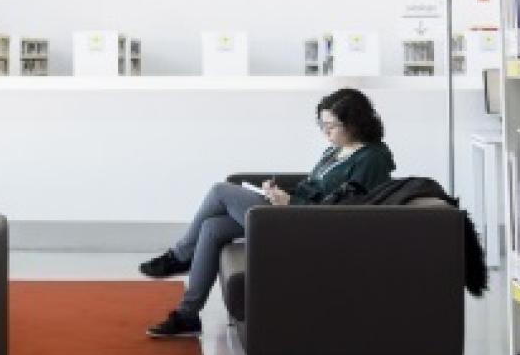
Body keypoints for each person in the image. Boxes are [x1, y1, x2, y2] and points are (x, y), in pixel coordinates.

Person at [139, 86, 394, 339]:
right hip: (294, 213)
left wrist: (291, 204)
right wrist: (280, 192)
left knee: (220, 191)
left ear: (355, 122)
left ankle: (179, 256)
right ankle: (187, 315)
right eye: (322, 124)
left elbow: (345, 210)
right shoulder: (335, 151)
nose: (326, 131)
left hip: (311, 228)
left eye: (333, 125)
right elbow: (315, 188)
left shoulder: (372, 158)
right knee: (213, 228)